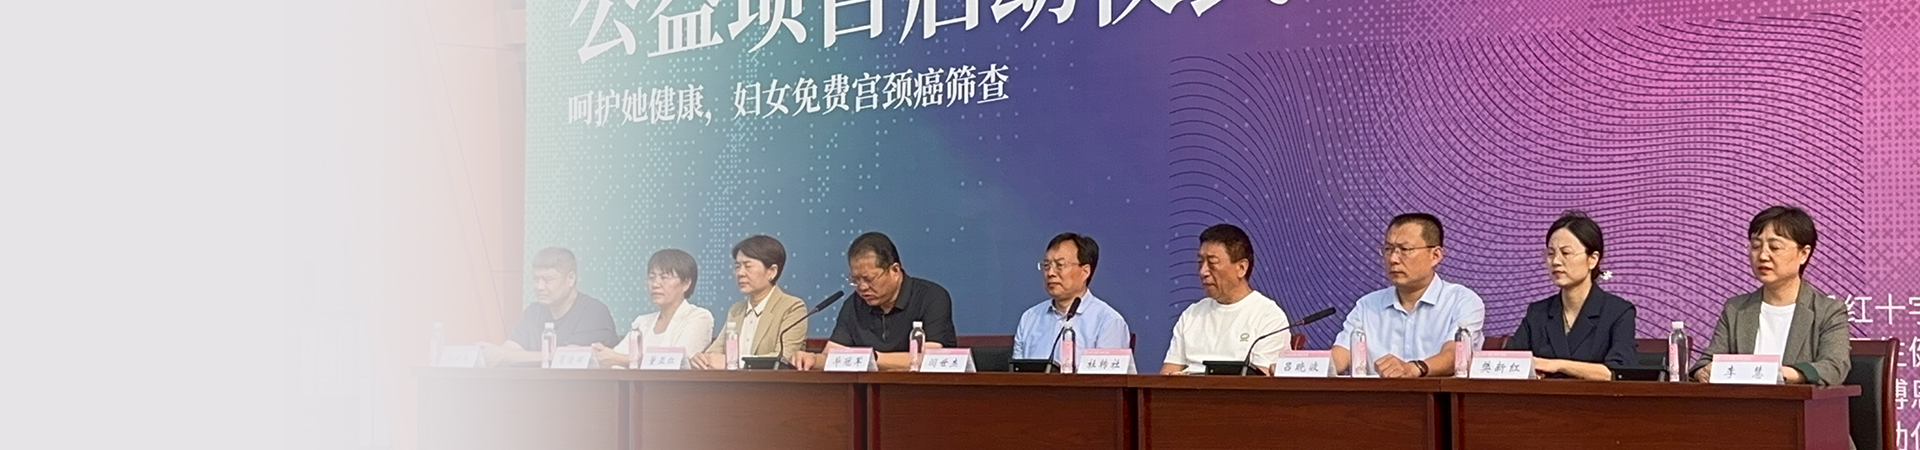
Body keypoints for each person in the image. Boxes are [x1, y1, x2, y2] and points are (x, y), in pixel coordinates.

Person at [1691, 206, 1850, 386]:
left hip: (1796, 402)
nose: (1763, 256)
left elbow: (1834, 368)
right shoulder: (1736, 309)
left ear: (1804, 254)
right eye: (1756, 246)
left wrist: (1780, 374)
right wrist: (1703, 372)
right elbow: (1705, 362)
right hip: (1742, 403)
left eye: (1775, 247)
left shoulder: (1828, 311)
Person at [1330, 213, 1486, 377]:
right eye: (1388, 249)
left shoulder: (1463, 301)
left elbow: (1455, 355)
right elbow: (1340, 356)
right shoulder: (1367, 305)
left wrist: (1414, 368)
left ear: (1435, 256)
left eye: (1405, 249)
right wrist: (1314, 365)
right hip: (1377, 394)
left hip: (1442, 393)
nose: (1393, 259)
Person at [794, 232, 958, 371]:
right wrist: (813, 359)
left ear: (894, 271)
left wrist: (872, 359)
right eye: (855, 280)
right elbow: (832, 355)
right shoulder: (854, 304)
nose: (862, 287)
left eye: (869, 279)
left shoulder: (932, 297)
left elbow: (931, 359)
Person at [1504, 211, 1637, 380]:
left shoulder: (1618, 312)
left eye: (1566, 253)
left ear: (1592, 259)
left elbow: (1617, 373)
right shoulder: (1537, 313)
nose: (1556, 261)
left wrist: (1557, 365)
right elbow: (1510, 364)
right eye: (1551, 253)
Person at [1160, 224, 1291, 375]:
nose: (1203, 272)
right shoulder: (1192, 314)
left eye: (1212, 263)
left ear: (1241, 268)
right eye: (1200, 262)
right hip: (1188, 390)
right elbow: (1168, 374)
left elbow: (1260, 382)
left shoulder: (1269, 316)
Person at [478, 247, 619, 366]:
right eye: (535, 279)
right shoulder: (533, 312)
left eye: (548, 280)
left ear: (570, 279)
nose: (539, 287)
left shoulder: (594, 312)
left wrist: (507, 356)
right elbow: (508, 350)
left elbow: (569, 359)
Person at [1012, 233, 1132, 368]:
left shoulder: (1108, 322)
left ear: (1085, 272)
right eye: (1046, 265)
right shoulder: (1029, 318)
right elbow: (1016, 375)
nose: (1050, 273)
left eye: (1060, 265)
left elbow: (1106, 379)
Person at [694, 235, 809, 370]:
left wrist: (734, 363)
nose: (740, 273)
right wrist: (703, 359)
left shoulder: (792, 308)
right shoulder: (736, 310)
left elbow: (783, 358)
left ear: (772, 272)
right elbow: (715, 352)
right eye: (737, 266)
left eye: (748, 266)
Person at [593, 248, 714, 368]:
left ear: (686, 283)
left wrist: (621, 360)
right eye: (651, 277)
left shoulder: (699, 317)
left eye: (664, 277)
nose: (655, 284)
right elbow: (614, 358)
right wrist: (603, 355)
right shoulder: (642, 322)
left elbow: (678, 362)